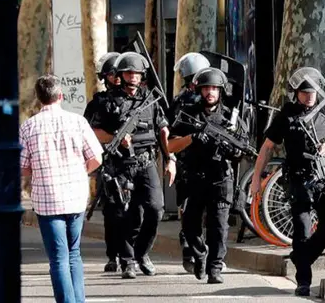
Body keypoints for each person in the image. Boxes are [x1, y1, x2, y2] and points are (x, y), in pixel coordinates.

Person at [251, 67, 325, 296]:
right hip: (299, 180)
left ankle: (300, 257)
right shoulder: (287, 114)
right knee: (302, 231)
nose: (309, 95)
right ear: (296, 93)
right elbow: (267, 148)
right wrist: (256, 179)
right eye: (304, 92)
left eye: (312, 91)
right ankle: (303, 280)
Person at [87, 52, 176, 279]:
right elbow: (93, 132)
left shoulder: (150, 100)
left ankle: (142, 253)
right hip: (119, 165)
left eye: (136, 73)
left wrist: (170, 159)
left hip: (146, 162)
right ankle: (127, 261)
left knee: (156, 208)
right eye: (128, 72)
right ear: (120, 74)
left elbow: (163, 131)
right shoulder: (106, 102)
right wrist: (115, 136)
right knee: (120, 214)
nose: (133, 77)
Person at [20, 74, 104, 303]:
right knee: (74, 254)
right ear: (61, 96)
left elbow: (23, 167)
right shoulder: (78, 122)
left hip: (47, 199)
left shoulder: (28, 127)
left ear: (38, 99)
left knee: (58, 258)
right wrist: (80, 173)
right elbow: (96, 158)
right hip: (75, 197)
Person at [168, 68, 247, 284]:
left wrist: (233, 150)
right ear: (200, 90)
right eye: (206, 88)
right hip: (193, 179)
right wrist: (193, 138)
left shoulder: (231, 117)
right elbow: (170, 145)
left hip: (220, 179)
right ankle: (200, 253)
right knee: (190, 227)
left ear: (221, 90)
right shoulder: (189, 113)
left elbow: (242, 147)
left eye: (214, 88)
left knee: (219, 227)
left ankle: (215, 268)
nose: (210, 92)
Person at [170, 52, 211, 274]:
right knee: (195, 209)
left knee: (190, 208)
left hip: (190, 162)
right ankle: (192, 246)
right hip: (191, 161)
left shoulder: (180, 99)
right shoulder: (189, 101)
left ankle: (191, 246)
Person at [84, 51, 123, 273]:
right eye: (112, 74)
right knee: (112, 212)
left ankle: (136, 253)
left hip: (135, 160)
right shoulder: (99, 102)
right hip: (110, 161)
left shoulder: (139, 99)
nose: (117, 78)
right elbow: (88, 131)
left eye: (121, 73)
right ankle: (114, 255)